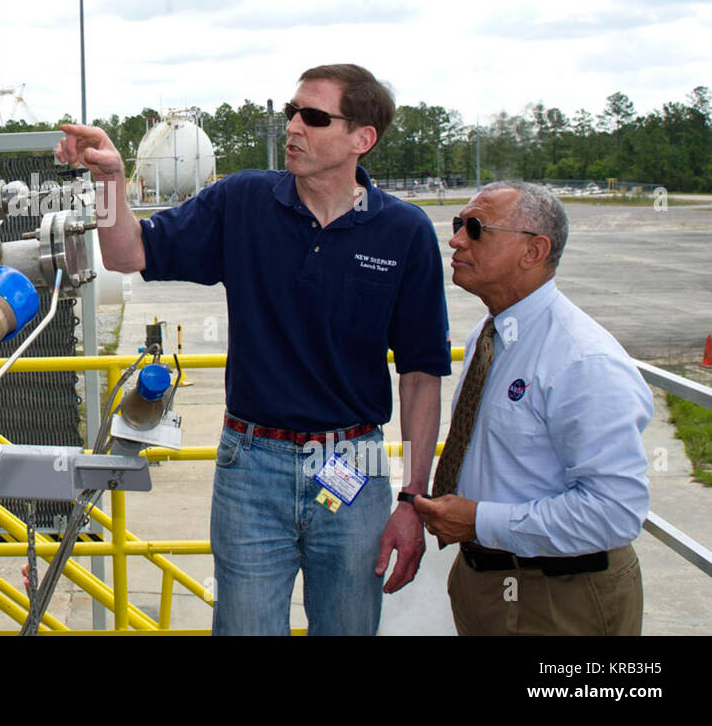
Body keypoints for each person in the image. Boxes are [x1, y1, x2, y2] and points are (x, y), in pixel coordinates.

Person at [56, 64, 451, 635]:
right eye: (291, 112)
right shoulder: (243, 201)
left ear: (361, 140)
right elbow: (126, 255)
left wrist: (414, 498)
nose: (293, 126)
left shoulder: (404, 232)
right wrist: (110, 182)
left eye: (313, 117)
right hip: (252, 464)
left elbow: (420, 376)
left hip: (355, 466)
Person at [414, 182, 652, 635]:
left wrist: (479, 520)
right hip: (488, 580)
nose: (457, 239)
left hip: (561, 596)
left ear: (533, 251)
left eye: (477, 228)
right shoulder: (493, 334)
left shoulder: (582, 359)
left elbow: (614, 512)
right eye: (457, 224)